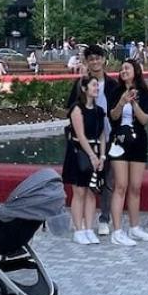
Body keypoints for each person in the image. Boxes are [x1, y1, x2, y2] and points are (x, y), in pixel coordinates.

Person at [67, 43, 122, 237]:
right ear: (87, 62)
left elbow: (118, 113)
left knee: (107, 179)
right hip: (83, 141)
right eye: (91, 59)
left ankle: (104, 218)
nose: (95, 62)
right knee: (82, 181)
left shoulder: (114, 85)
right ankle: (80, 220)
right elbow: (72, 108)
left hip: (107, 138)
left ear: (104, 60)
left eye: (98, 58)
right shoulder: (80, 84)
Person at [106, 58, 148, 245]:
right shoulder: (116, 91)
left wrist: (134, 103)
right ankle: (117, 231)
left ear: (135, 71)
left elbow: (144, 120)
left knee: (135, 187)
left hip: (139, 142)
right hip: (119, 141)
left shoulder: (146, 94)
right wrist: (121, 101)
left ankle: (135, 227)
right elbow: (113, 116)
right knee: (121, 185)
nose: (123, 71)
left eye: (126, 68)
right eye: (121, 69)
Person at [63, 76, 107, 245]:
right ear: (84, 88)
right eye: (94, 85)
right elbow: (80, 135)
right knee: (79, 192)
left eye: (97, 85)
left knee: (91, 192)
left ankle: (89, 228)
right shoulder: (77, 109)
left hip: (95, 152)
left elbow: (102, 134)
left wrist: (102, 156)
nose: (97, 88)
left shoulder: (98, 110)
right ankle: (78, 229)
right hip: (79, 153)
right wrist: (92, 156)